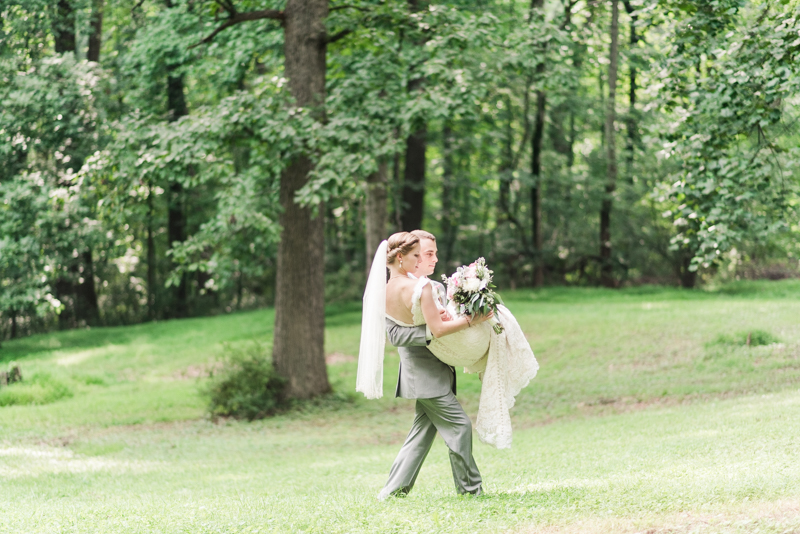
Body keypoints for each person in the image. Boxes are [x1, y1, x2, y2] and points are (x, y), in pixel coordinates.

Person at [356, 232, 492, 499]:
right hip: (422, 375)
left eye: (427, 254)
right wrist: (452, 326)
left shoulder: (418, 286)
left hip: (435, 372)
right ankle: (470, 490)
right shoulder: (409, 289)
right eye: (420, 255)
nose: (424, 260)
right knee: (460, 426)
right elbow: (397, 335)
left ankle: (392, 491)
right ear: (402, 256)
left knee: (420, 434)